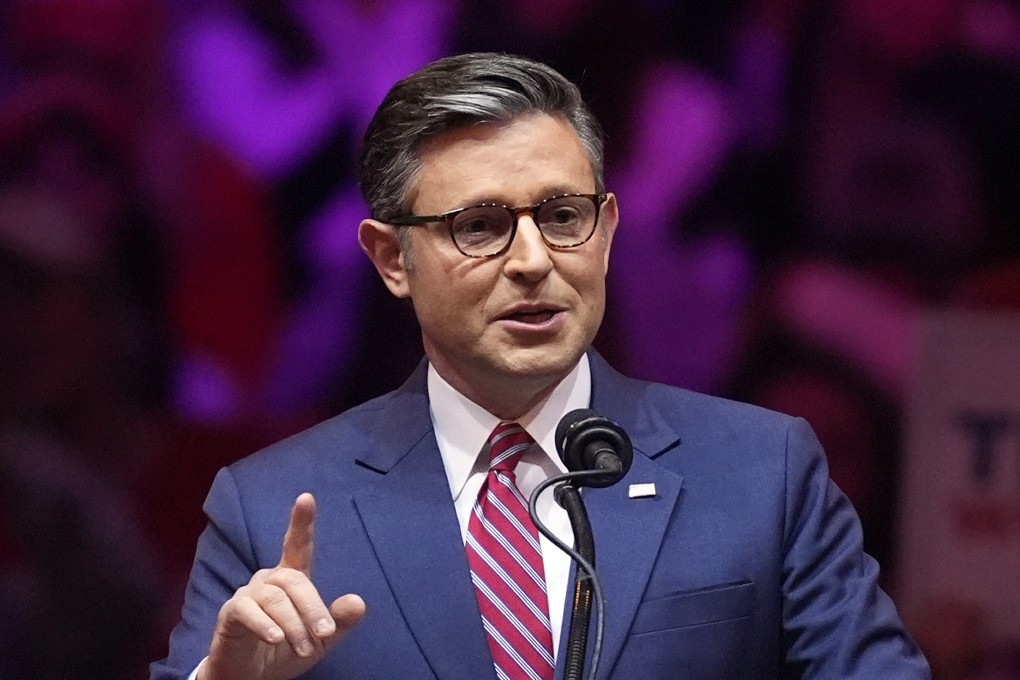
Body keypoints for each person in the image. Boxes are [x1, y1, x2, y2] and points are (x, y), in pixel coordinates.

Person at [150, 52, 930, 680]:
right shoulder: (271, 508)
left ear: (607, 229)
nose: (532, 261)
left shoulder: (765, 471)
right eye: (480, 225)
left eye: (562, 217)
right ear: (392, 258)